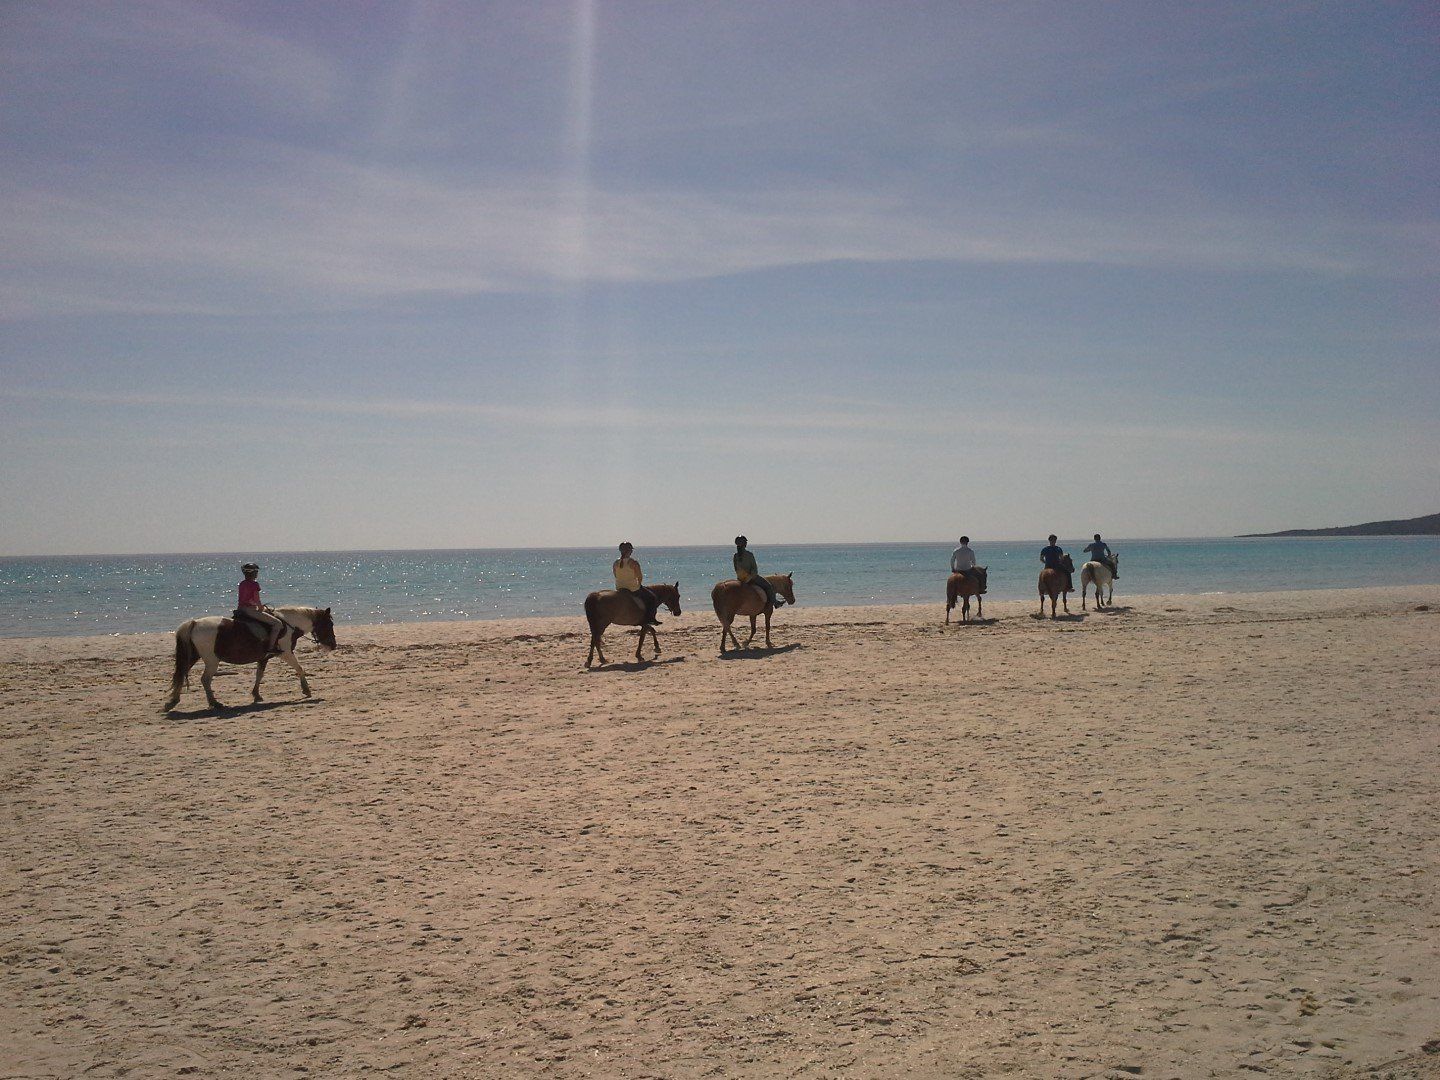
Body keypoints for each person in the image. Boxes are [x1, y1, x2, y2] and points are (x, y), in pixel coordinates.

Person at [237, 562, 285, 654]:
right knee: (277, 624)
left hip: (240, 609)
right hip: (250, 610)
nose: (257, 574)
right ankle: (271, 648)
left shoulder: (242, 583)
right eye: (256, 572)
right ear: (253, 573)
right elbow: (256, 600)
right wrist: (260, 607)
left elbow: (245, 599)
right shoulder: (254, 584)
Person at [612, 542, 660, 625]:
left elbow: (615, 575)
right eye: (631, 550)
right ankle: (650, 619)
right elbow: (639, 577)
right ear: (630, 551)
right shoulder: (634, 563)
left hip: (619, 587)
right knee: (652, 598)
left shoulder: (615, 563)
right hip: (632, 588)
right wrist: (639, 585)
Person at [733, 535, 782, 609]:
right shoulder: (749, 555)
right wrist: (749, 577)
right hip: (751, 578)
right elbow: (754, 569)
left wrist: (741, 578)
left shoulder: (735, 556)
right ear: (745, 544)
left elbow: (736, 569)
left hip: (740, 579)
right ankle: (775, 602)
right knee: (768, 586)